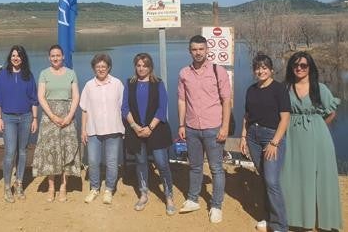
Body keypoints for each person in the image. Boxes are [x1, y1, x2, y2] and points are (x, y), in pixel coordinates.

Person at [280, 51, 342, 231]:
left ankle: (325, 221)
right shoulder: (285, 88)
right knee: (292, 175)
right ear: (291, 68)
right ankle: (295, 218)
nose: (299, 68)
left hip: (318, 138)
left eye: (303, 65)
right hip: (292, 136)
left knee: (322, 176)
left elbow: (331, 112)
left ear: (310, 68)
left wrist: (317, 125)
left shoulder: (319, 88)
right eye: (295, 65)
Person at [177, 35, 231, 223]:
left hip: (213, 127)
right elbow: (182, 100)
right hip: (192, 128)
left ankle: (216, 205)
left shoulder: (218, 71)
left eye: (201, 49)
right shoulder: (184, 73)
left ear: (207, 50)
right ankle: (193, 199)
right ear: (189, 51)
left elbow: (226, 100)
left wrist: (225, 126)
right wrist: (181, 124)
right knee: (194, 166)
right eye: (194, 49)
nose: (198, 52)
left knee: (216, 168)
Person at [239, 54, 290, 232]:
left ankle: (280, 226)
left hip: (271, 136)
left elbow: (285, 118)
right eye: (257, 68)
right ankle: (267, 217)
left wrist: (274, 143)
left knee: (272, 181)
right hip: (253, 136)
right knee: (264, 179)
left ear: (271, 70)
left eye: (264, 67)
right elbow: (247, 116)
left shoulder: (279, 89)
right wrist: (244, 137)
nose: (260, 71)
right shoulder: (251, 90)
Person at [121, 53, 175, 214]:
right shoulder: (129, 83)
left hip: (156, 130)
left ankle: (169, 196)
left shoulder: (158, 83)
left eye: (145, 65)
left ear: (150, 67)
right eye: (138, 65)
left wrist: (150, 128)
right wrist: (135, 126)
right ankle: (143, 194)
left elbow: (162, 108)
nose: (141, 68)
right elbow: (125, 108)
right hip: (135, 130)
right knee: (141, 163)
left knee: (162, 163)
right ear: (135, 67)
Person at [32, 44, 81, 202]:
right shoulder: (44, 74)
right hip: (49, 117)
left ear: (63, 57)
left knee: (66, 150)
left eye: (58, 55)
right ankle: (51, 187)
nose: (55, 58)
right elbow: (41, 97)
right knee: (50, 152)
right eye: (52, 56)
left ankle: (63, 187)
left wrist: (69, 117)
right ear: (49, 58)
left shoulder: (71, 73)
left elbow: (76, 97)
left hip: (68, 116)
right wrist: (53, 116)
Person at [0, 45, 39, 203]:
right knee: (10, 152)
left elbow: (34, 99)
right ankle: (7, 187)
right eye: (13, 55)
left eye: (19, 55)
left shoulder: (29, 76)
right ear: (10, 57)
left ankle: (19, 183)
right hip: (8, 118)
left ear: (23, 58)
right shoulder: (2, 75)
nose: (16, 58)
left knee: (23, 152)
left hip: (26, 117)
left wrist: (35, 118)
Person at [80, 53, 124, 205]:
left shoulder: (117, 84)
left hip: (113, 129)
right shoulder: (89, 86)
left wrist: (124, 128)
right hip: (93, 130)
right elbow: (84, 109)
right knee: (93, 161)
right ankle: (94, 188)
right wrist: (83, 130)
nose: (101, 69)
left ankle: (109, 189)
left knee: (112, 162)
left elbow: (123, 107)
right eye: (98, 66)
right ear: (94, 68)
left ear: (109, 67)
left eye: (104, 66)